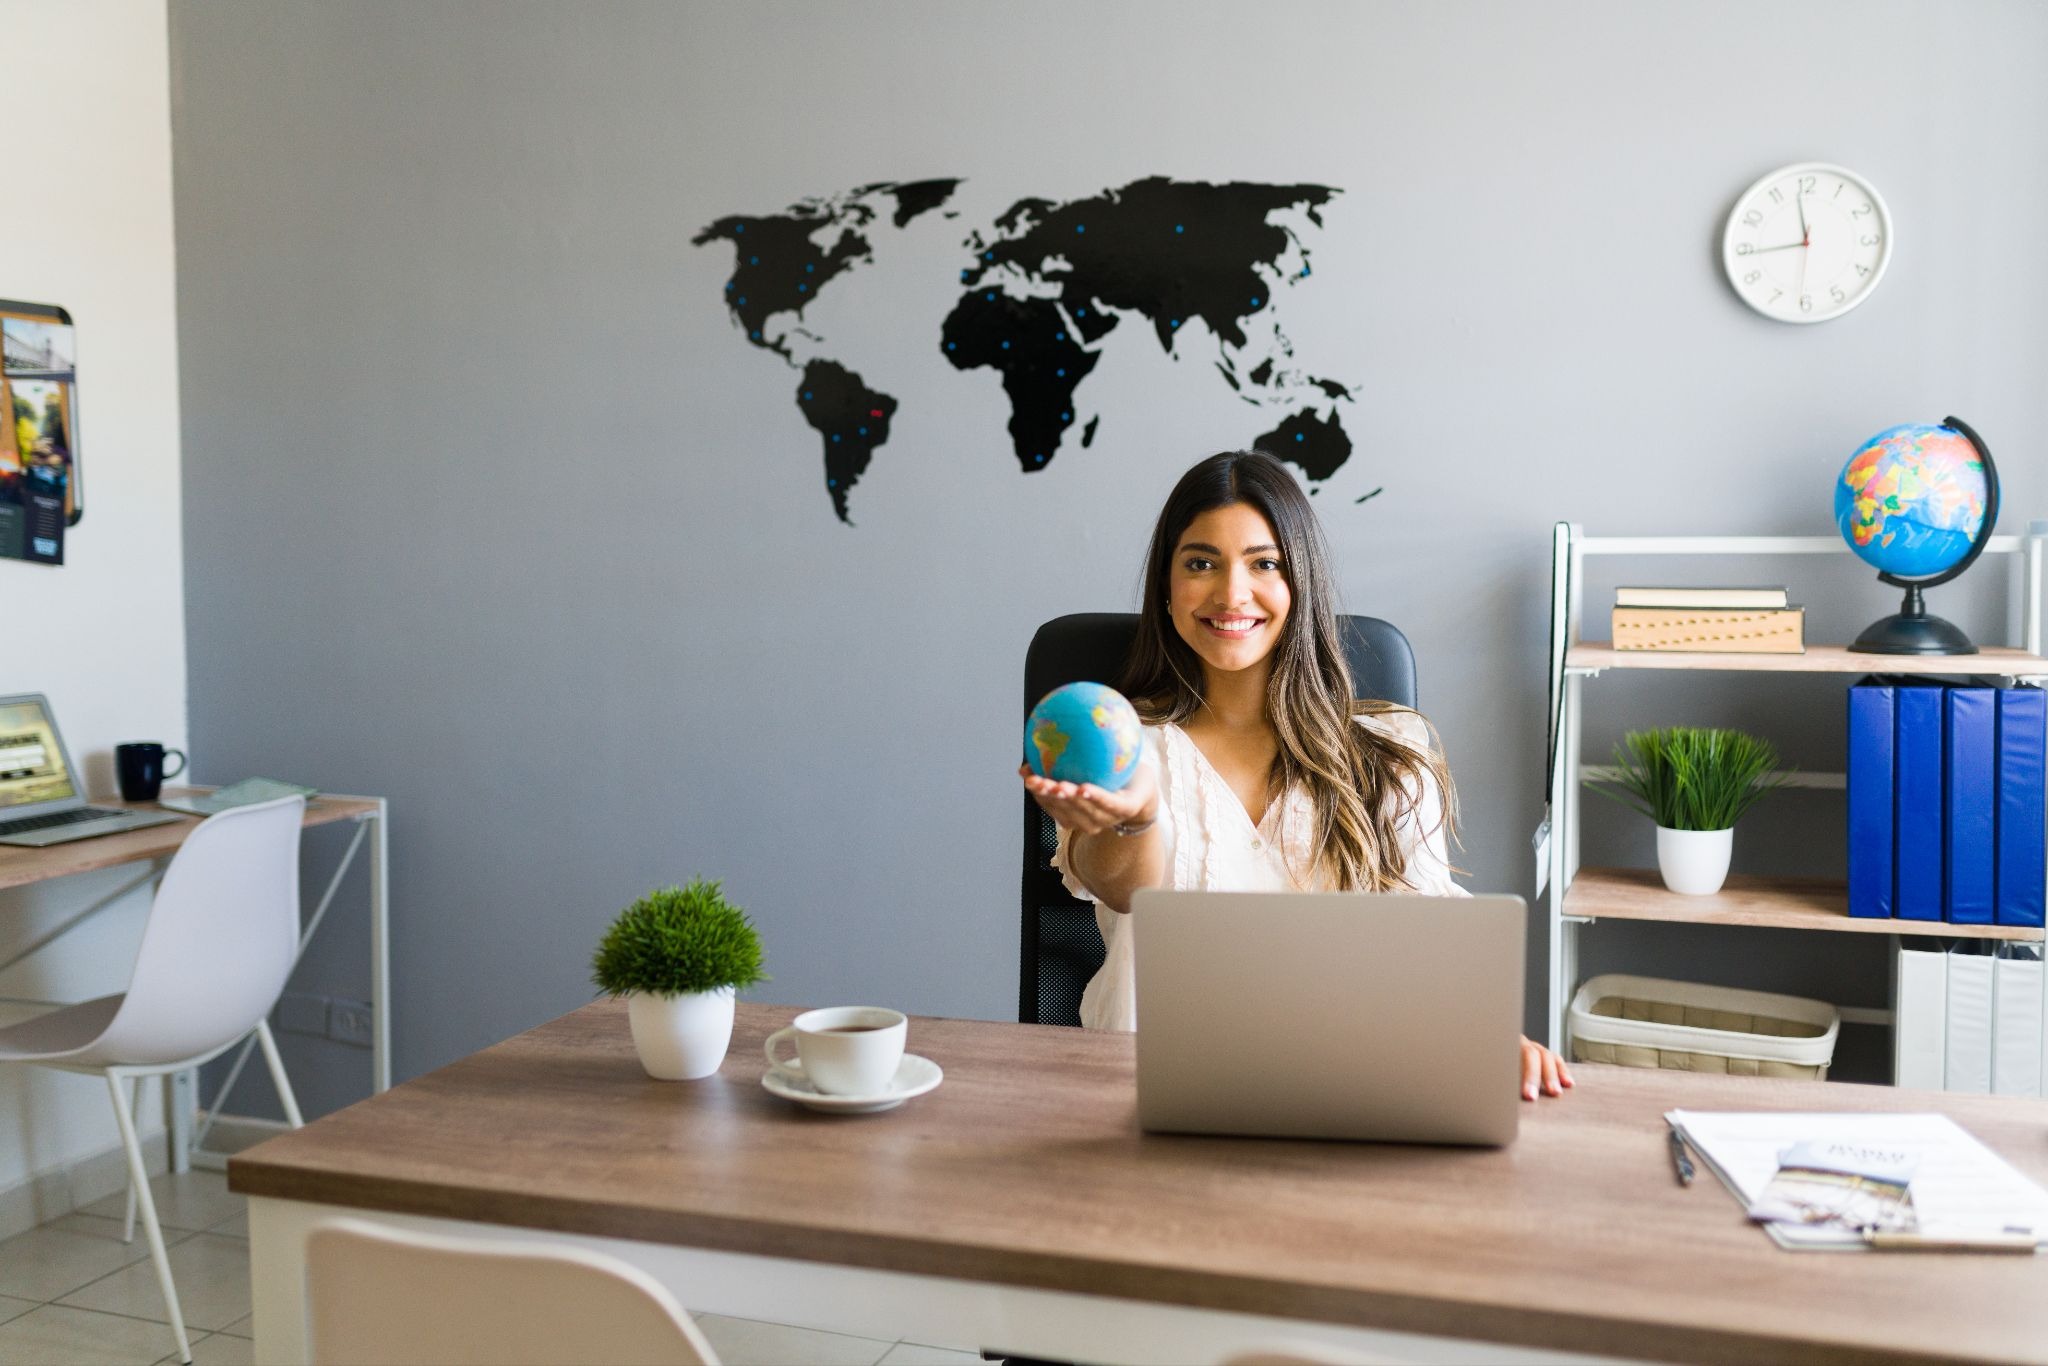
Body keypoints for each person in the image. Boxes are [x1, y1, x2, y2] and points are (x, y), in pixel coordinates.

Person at [1020, 449, 1573, 1101]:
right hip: (1141, 1095)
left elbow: (1428, 940)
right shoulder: (1123, 750)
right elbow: (1119, 888)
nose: (1232, 593)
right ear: (1166, 592)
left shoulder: (1390, 753)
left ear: (1299, 583)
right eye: (1201, 563)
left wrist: (1484, 1034)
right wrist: (1137, 815)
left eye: (1264, 564)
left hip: (1344, 1090)